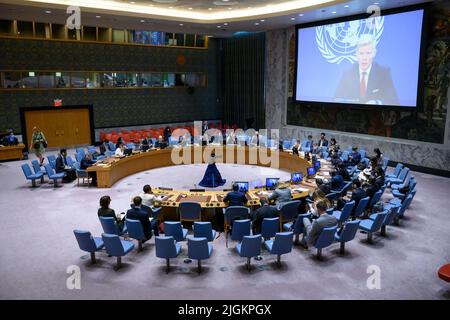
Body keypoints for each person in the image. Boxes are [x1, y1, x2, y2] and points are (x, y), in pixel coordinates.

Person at [334, 35, 399, 106]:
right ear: (356, 54)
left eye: (368, 53)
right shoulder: (348, 73)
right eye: (361, 53)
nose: (364, 58)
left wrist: (377, 102)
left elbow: (393, 101)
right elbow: (336, 99)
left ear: (374, 53)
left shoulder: (383, 73)